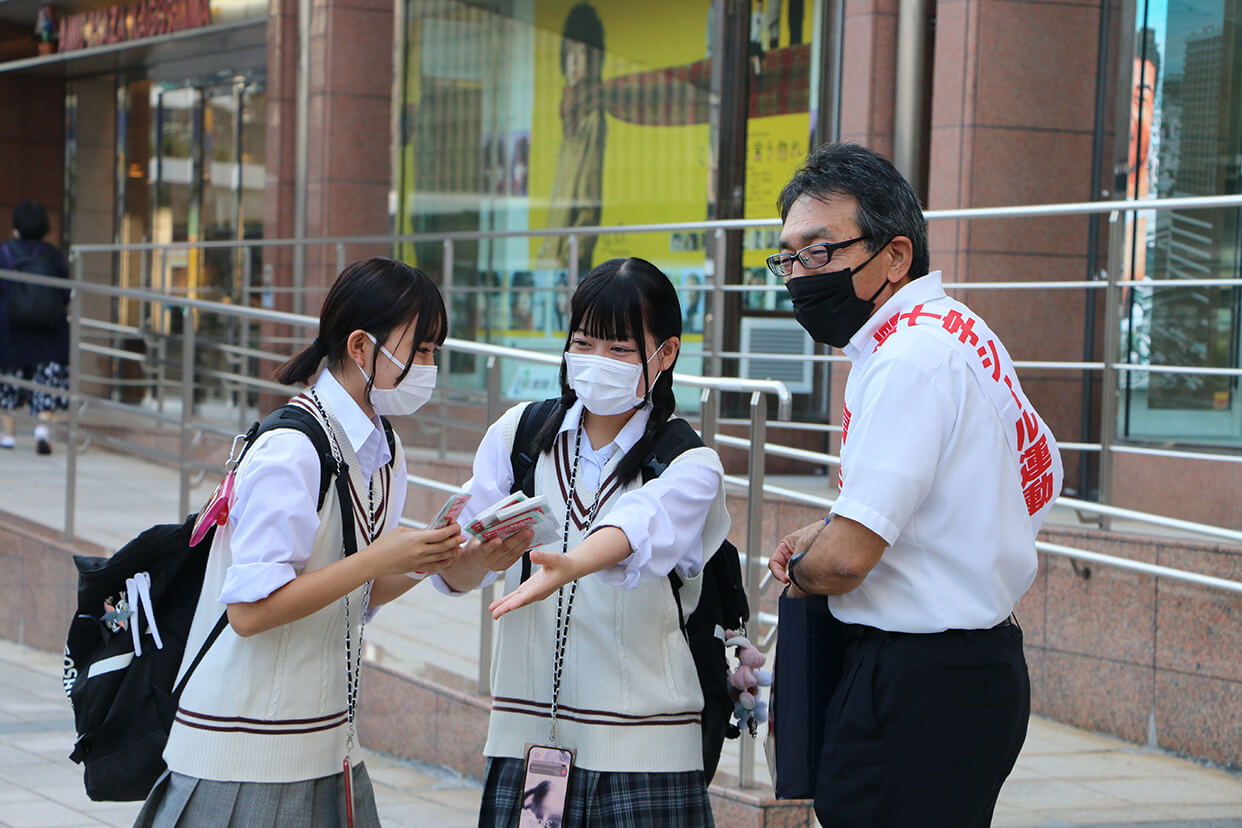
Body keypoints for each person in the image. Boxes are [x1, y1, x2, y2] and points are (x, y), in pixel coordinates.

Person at [766, 143, 1063, 828]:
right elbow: (1039, 475)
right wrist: (845, 526)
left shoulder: (908, 359)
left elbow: (846, 562)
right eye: (788, 258)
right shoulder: (960, 331)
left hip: (915, 683)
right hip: (972, 668)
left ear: (895, 255)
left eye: (821, 252)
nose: (800, 276)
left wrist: (804, 569)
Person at [134, 258, 465, 827]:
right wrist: (377, 561)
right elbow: (250, 610)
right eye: (422, 350)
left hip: (325, 742)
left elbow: (357, 588)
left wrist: (433, 558)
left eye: (435, 351)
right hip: (245, 750)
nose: (429, 368)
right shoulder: (292, 447)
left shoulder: (382, 449)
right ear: (361, 347)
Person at [436, 257, 730, 827]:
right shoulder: (519, 434)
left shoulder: (691, 463)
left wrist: (570, 563)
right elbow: (459, 563)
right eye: (585, 343)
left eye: (620, 350)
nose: (596, 363)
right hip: (534, 749)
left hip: (647, 753)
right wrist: (470, 561)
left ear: (665, 354)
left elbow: (639, 525)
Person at [0, 200, 70, 454]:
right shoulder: (52, 255)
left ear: (16, 225)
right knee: (46, 380)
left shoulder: (5, 253)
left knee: (10, 380)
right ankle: (42, 430)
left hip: (11, 331)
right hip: (49, 331)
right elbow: (65, 293)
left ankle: (8, 435)